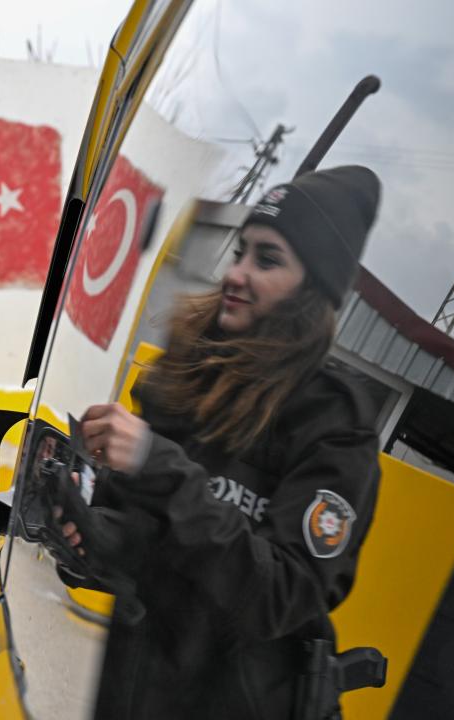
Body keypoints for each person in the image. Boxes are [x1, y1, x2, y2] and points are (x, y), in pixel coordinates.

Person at [75, 166, 384, 718]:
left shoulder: (336, 424)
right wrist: (85, 532)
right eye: (240, 251)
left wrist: (159, 465)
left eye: (267, 260)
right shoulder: (188, 371)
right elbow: (149, 543)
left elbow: (278, 595)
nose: (236, 273)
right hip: (130, 690)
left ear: (313, 287)